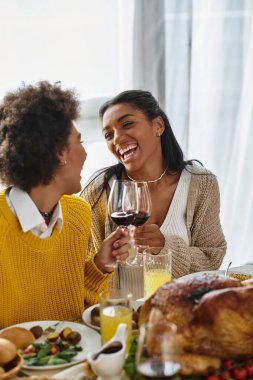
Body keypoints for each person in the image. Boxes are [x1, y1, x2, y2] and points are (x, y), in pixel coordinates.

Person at [0, 81, 130, 329]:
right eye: (79, 142)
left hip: (76, 358)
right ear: (60, 153)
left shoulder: (77, 213)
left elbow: (75, 308)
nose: (85, 154)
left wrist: (100, 266)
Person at [81, 90, 227, 299]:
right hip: (122, 323)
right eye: (108, 134)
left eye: (127, 124)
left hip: (180, 320)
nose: (118, 138)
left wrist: (164, 247)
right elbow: (77, 273)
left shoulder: (201, 183)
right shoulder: (97, 192)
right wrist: (102, 263)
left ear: (158, 125)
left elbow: (212, 258)